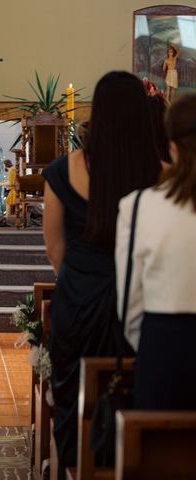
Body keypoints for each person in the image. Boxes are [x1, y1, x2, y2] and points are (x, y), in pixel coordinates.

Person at [42, 71, 162, 478]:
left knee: (72, 402)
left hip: (79, 301)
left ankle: (73, 466)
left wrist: (77, 281)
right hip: (142, 299)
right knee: (134, 395)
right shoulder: (163, 173)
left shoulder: (64, 170)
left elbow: (54, 247)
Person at [116, 93, 196, 410]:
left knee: (161, 454)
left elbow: (130, 303)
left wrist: (152, 346)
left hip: (164, 349)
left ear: (171, 144)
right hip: (162, 342)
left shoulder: (138, 206)